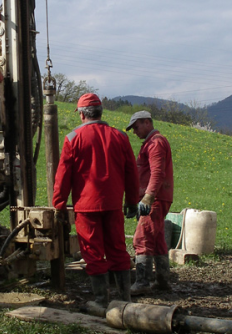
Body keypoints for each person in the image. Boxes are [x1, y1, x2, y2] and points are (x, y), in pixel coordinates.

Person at [53, 93, 139, 314]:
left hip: (86, 206)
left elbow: (63, 176)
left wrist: (59, 205)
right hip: (113, 204)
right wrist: (131, 201)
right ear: (100, 112)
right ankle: (125, 299)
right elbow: (131, 172)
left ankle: (101, 301)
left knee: (93, 253)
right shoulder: (120, 137)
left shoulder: (73, 138)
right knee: (118, 250)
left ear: (82, 114)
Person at [125, 110, 173, 295]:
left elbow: (157, 172)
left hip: (155, 199)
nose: (135, 132)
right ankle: (162, 281)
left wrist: (148, 196)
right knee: (158, 239)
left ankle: (142, 282)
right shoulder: (152, 142)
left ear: (147, 122)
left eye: (136, 127)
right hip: (158, 197)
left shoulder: (155, 143)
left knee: (142, 238)